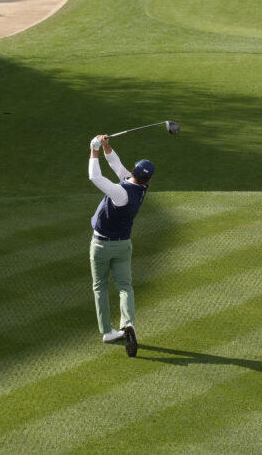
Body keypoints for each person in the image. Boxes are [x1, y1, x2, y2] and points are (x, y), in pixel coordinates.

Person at [87, 134, 153, 358]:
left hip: (102, 246)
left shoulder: (121, 192)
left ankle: (107, 332)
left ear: (133, 173)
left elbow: (95, 177)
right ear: (148, 180)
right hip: (123, 245)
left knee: (100, 287)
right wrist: (106, 146)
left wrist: (93, 149)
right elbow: (116, 165)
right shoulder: (140, 189)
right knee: (125, 286)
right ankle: (129, 324)